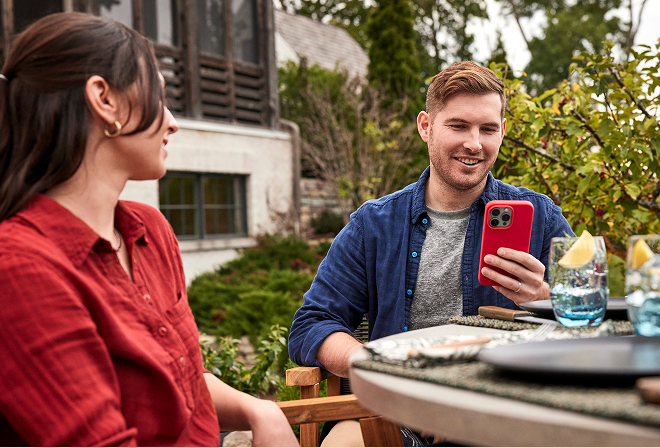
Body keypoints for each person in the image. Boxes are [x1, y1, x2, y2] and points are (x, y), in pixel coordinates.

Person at [0, 12, 298, 447]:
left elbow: (186, 380)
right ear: (105, 100)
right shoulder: (22, 271)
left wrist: (260, 411)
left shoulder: (150, 230)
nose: (173, 121)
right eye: (159, 94)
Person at [288, 61, 574, 446]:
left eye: (488, 129)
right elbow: (312, 324)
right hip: (394, 412)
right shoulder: (374, 224)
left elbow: (593, 323)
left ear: (502, 132)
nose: (474, 143)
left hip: (501, 412)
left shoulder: (542, 217)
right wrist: (382, 368)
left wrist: (541, 297)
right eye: (458, 126)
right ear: (426, 126)